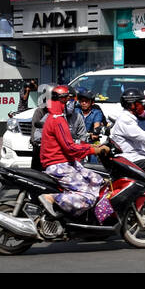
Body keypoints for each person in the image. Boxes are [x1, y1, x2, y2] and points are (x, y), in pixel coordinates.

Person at [36, 85, 111, 216]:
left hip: (68, 162)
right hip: (59, 165)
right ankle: (52, 198)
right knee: (88, 197)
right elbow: (70, 147)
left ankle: (99, 217)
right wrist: (94, 150)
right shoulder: (57, 120)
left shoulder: (62, 117)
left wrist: (93, 147)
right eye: (69, 99)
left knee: (98, 180)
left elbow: (80, 140)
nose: (72, 103)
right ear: (62, 100)